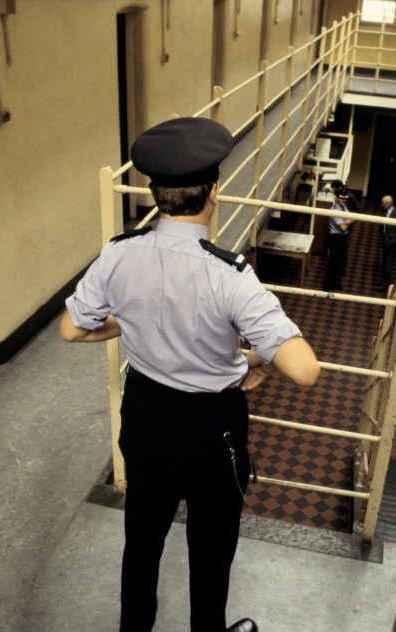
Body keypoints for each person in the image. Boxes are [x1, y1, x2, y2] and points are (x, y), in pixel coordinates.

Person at [59, 117, 320, 632]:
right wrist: (260, 358)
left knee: (143, 542)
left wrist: (129, 324)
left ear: (156, 193)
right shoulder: (231, 275)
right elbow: (305, 370)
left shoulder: (119, 252)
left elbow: (72, 329)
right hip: (210, 429)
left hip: (146, 413)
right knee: (210, 551)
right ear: (214, 193)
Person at [323, 191, 353, 292]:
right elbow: (343, 227)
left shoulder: (343, 207)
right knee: (333, 264)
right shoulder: (335, 210)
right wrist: (348, 221)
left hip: (342, 239)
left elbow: (352, 218)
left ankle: (334, 283)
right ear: (337, 198)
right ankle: (327, 287)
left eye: (345, 198)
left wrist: (347, 221)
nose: (343, 200)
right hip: (336, 238)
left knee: (339, 263)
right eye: (341, 198)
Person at [375, 195, 396, 293]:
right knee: (384, 262)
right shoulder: (385, 211)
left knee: (388, 265)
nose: (381, 205)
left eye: (383, 203)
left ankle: (384, 285)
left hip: (392, 244)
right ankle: (383, 281)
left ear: (388, 204)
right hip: (385, 241)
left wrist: (392, 241)